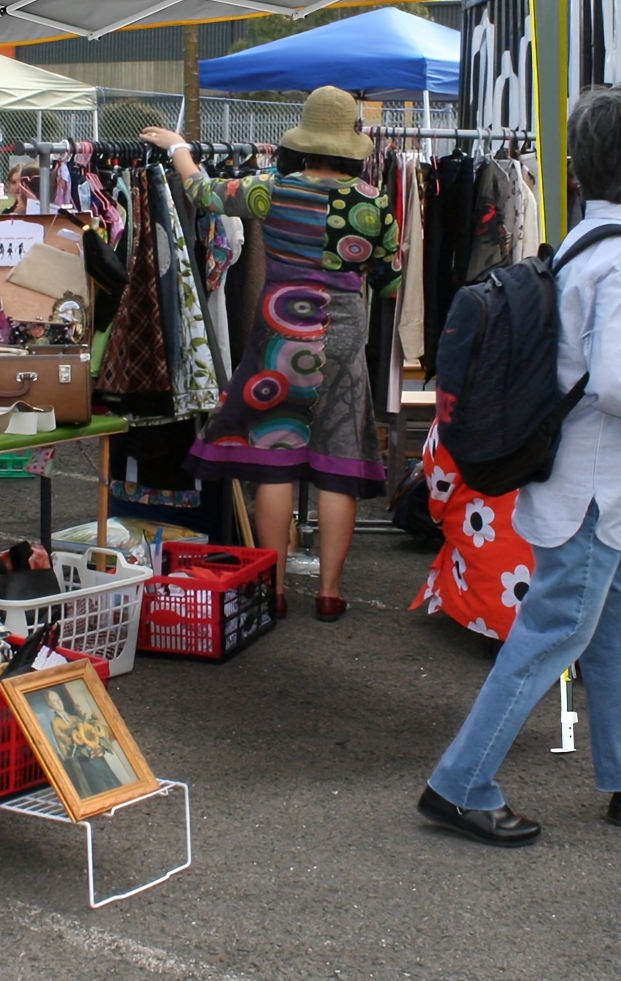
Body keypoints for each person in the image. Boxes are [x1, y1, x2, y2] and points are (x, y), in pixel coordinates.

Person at [418, 86, 621, 848]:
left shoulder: (581, 242)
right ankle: (460, 782)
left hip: (574, 479)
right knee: (554, 631)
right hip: (594, 489)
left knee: (605, 631)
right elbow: (613, 381)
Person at [141, 87, 398, 622]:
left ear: (305, 140)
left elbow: (203, 192)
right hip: (344, 331)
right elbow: (390, 276)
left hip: (280, 329)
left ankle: (274, 588)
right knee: (338, 460)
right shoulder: (373, 201)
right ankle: (329, 592)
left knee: (275, 460)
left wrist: (178, 146)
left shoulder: (270, 189)